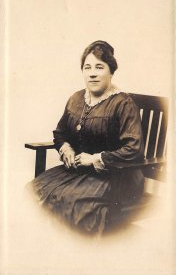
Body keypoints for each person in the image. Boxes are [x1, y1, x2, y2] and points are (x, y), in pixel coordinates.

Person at [29, 40, 145, 234]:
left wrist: (94, 159)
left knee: (74, 204)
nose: (92, 73)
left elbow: (133, 150)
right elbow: (60, 132)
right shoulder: (76, 98)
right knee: (34, 192)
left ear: (111, 71)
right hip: (79, 172)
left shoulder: (123, 104)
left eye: (99, 67)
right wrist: (66, 148)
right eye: (87, 67)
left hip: (116, 177)